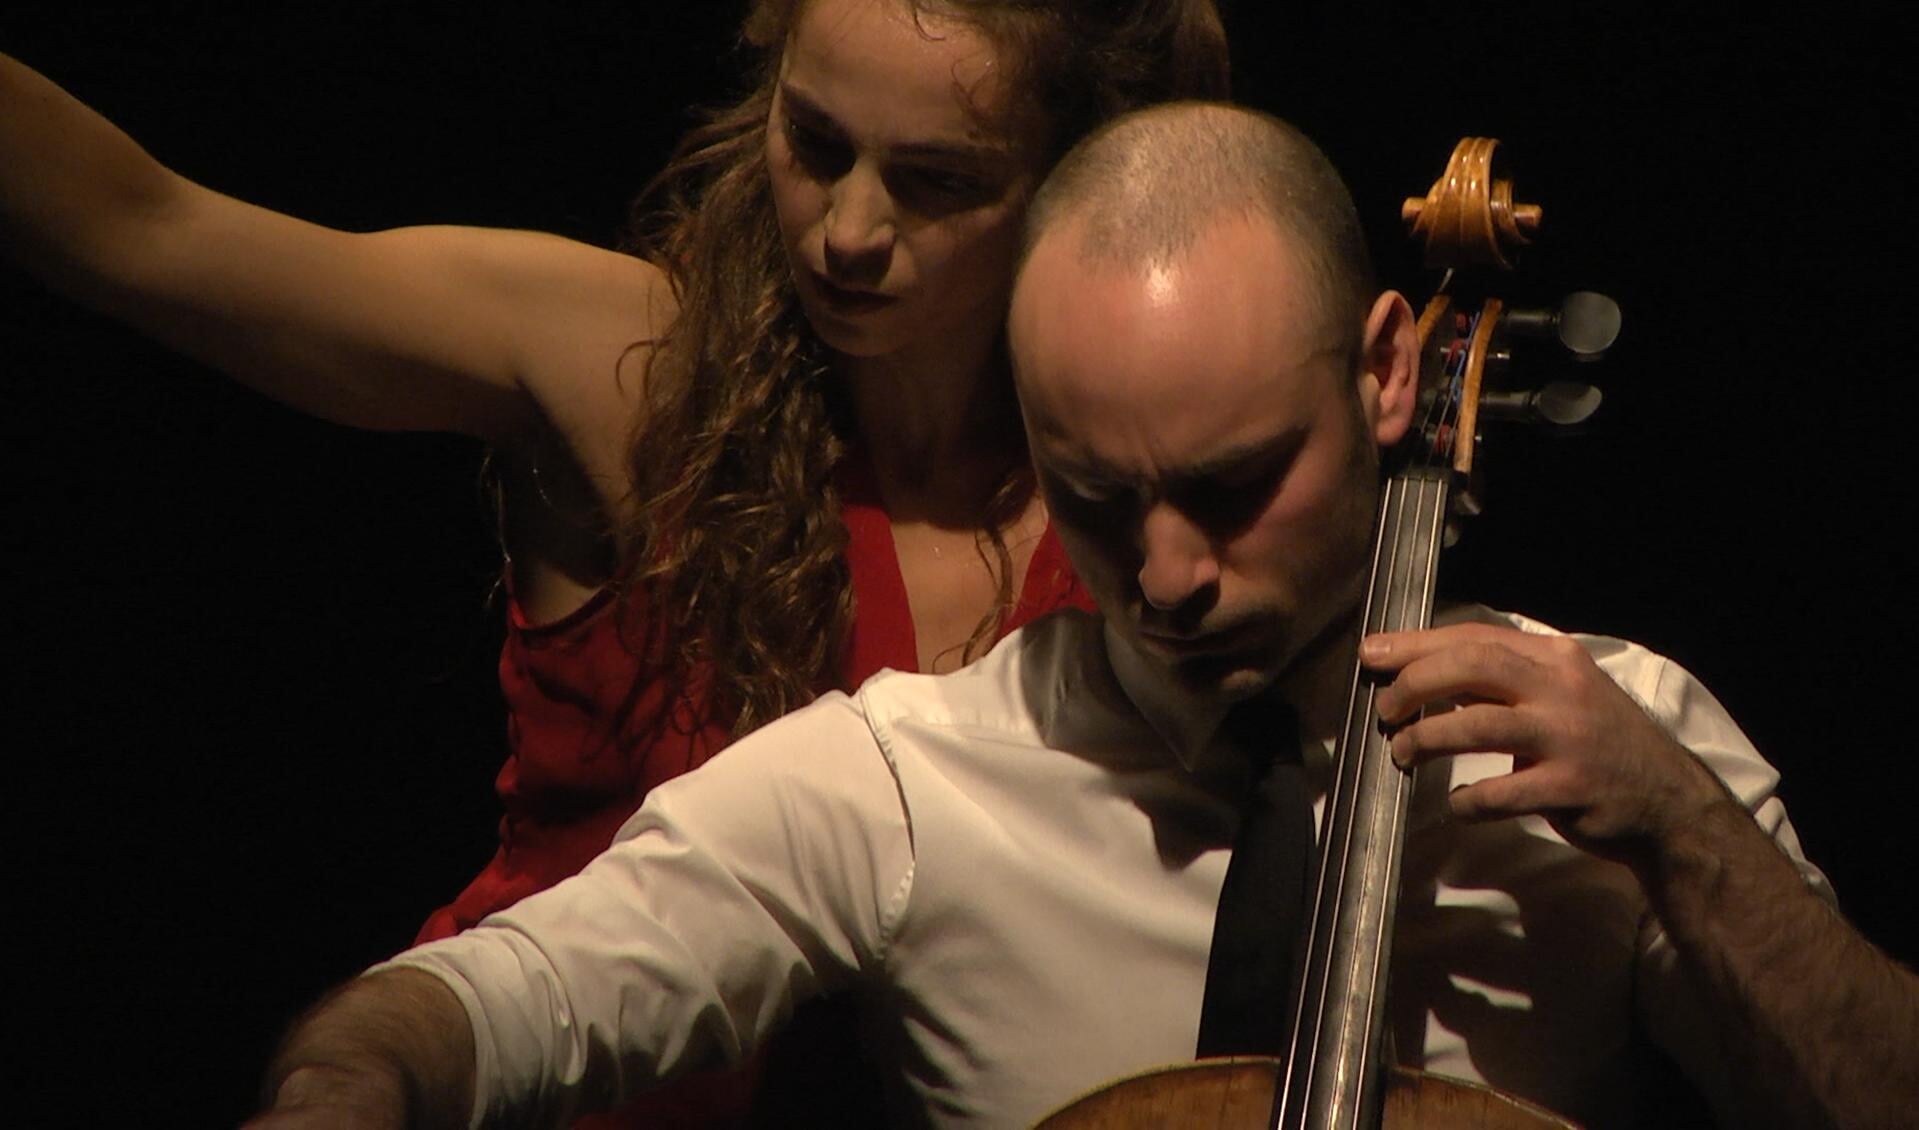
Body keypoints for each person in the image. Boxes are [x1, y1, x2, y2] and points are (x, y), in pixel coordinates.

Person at [247, 103, 1919, 1129]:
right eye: (1098, 499)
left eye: (1233, 482)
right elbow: (517, 993)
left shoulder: (1617, 737)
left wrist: (1690, 847)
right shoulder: (912, 779)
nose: (1169, 573)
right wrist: (353, 1084)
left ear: (1391, 371)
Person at [1, 1, 1227, 1124]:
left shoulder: (1143, 497)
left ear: (1076, 176)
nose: (849, 232)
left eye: (936, 180)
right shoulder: (636, 372)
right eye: (813, 142)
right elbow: (145, 230)